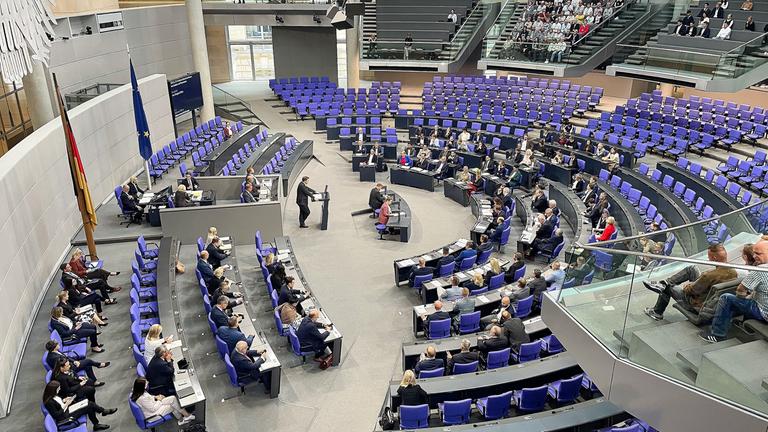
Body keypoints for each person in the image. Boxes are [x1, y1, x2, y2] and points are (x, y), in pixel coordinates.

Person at [643, 243, 737, 321]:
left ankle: (657, 312)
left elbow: (689, 291)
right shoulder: (733, 272)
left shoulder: (709, 276)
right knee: (692, 269)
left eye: (709, 256)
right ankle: (664, 283)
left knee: (667, 287)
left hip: (698, 305)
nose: (708, 259)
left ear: (715, 258)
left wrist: (688, 285)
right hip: (710, 300)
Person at [700, 239, 768, 342]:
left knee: (726, 298)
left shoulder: (759, 271)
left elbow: (741, 289)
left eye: (758, 254)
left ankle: (717, 335)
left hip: (763, 313)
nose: (754, 256)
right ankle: (743, 323)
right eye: (754, 253)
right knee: (749, 298)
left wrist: (742, 298)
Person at [43, 381, 114, 431]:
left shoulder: (54, 395)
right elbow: (56, 415)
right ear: (53, 390)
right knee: (89, 405)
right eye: (58, 389)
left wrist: (64, 400)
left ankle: (98, 421)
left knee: (88, 403)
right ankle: (102, 413)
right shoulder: (49, 402)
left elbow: (58, 403)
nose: (59, 389)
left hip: (67, 409)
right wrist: (66, 405)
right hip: (65, 416)